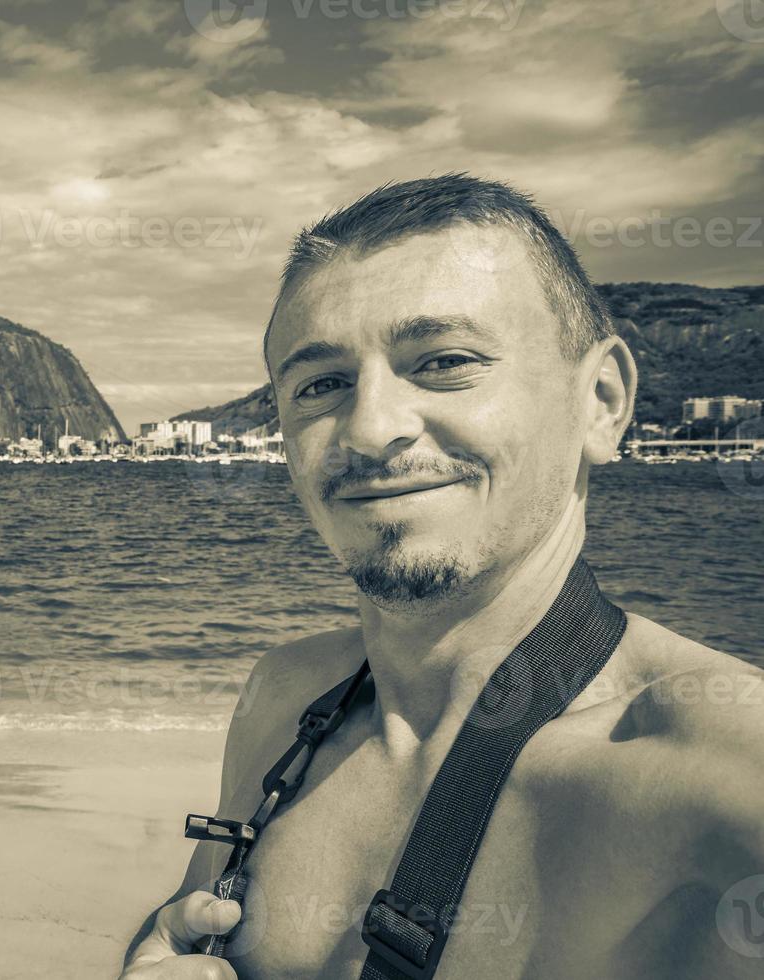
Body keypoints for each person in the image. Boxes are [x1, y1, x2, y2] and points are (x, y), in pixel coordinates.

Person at [119, 175, 764, 979]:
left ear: (601, 401)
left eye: (447, 362)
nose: (370, 426)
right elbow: (179, 932)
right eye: (321, 384)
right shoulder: (284, 701)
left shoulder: (720, 764)